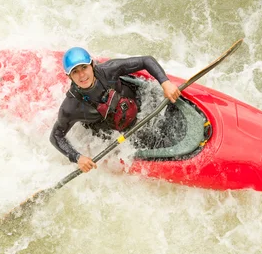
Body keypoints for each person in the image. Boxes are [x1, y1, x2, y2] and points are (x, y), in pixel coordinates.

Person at [50, 47, 181, 172]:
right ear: (69, 77)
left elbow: (146, 60)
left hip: (141, 106)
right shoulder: (71, 107)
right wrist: (77, 157)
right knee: (162, 142)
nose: (82, 75)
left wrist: (165, 83)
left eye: (84, 67)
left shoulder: (108, 71)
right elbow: (56, 136)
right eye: (75, 71)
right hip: (118, 132)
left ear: (92, 65)